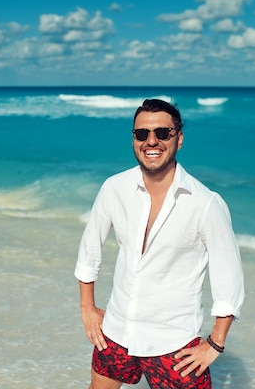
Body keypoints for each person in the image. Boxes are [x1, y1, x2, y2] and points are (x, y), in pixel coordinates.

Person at [74, 99, 244, 389]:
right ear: (134, 140)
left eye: (163, 133)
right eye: (142, 134)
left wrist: (215, 344)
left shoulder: (206, 204)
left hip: (174, 345)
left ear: (179, 138)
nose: (151, 141)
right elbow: (90, 250)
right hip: (116, 332)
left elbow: (229, 279)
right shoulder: (114, 188)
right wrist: (87, 308)